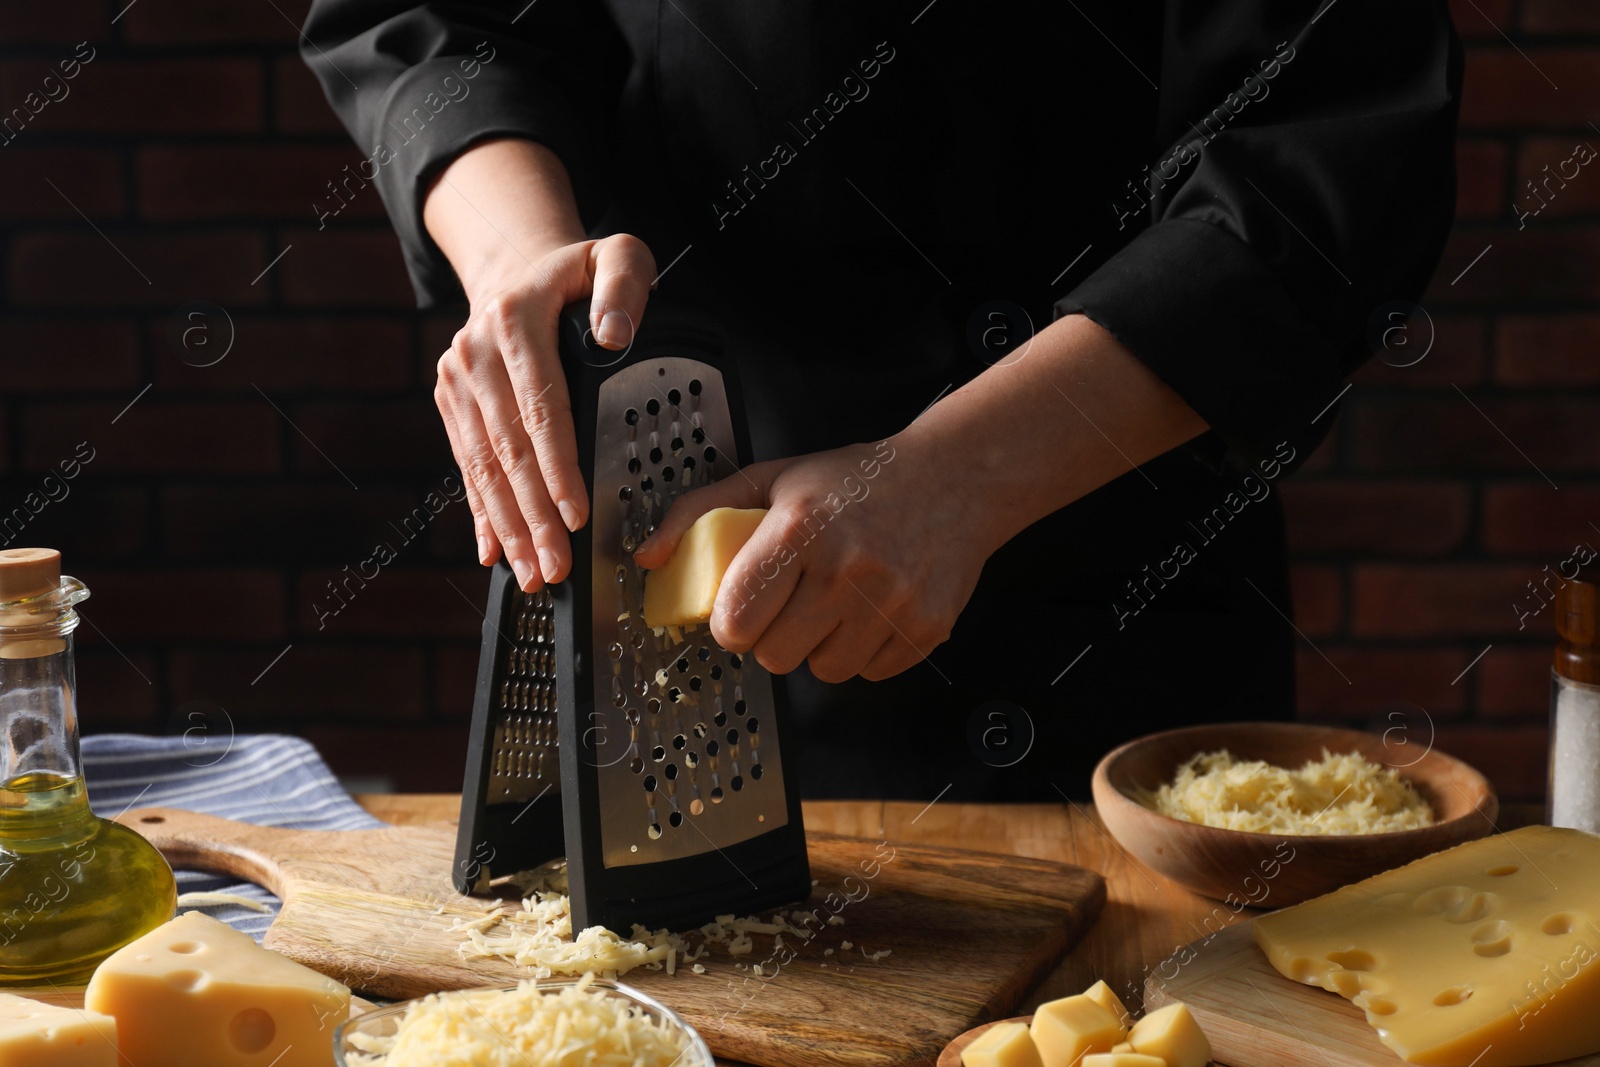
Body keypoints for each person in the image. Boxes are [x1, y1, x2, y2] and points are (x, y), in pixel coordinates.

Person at [301, 1, 1461, 799]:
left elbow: (1332, 146)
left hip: (1115, 585)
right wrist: (513, 255)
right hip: (684, 561)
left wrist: (962, 475)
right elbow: (430, 19)